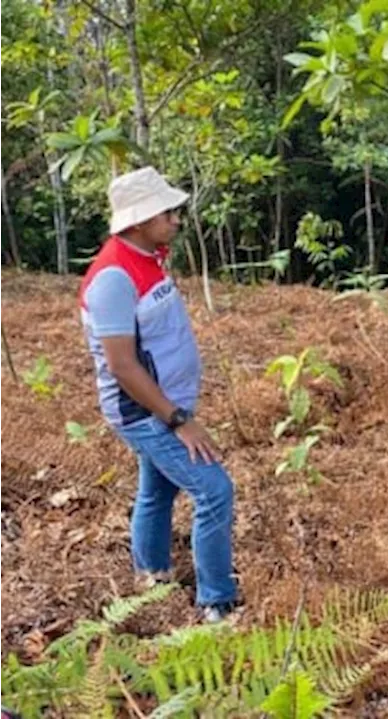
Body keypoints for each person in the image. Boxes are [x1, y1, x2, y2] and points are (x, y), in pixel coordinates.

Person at [78, 166, 239, 624]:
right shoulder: (113, 278)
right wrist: (176, 418)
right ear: (138, 220)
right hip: (146, 412)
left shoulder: (148, 256)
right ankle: (217, 602)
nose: (176, 220)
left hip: (166, 405)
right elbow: (122, 365)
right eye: (167, 213)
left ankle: (151, 577)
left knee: (157, 491)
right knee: (214, 490)